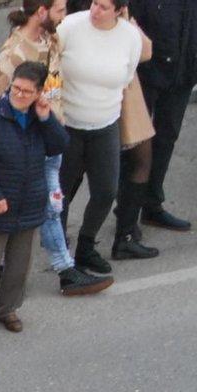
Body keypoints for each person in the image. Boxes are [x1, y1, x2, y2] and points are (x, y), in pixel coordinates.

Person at [0, 0, 115, 295]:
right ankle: (21, 269)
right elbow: (1, 104)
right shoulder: (14, 53)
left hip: (53, 137)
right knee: (32, 208)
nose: (65, 15)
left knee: (52, 206)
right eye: (60, 9)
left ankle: (62, 270)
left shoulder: (51, 37)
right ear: (41, 12)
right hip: (28, 145)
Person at [0, 62, 70, 335]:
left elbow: (59, 146)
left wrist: (46, 119)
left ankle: (8, 308)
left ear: (38, 93)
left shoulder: (38, 116)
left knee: (19, 263)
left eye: (26, 91)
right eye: (15, 88)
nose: (18, 95)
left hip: (29, 203)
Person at [57, 0, 145, 274]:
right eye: (95, 3)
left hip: (105, 124)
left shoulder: (130, 36)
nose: (96, 10)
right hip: (68, 124)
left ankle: (86, 245)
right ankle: (59, 250)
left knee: (106, 191)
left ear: (119, 10)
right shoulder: (71, 26)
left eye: (105, 7)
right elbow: (50, 63)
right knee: (60, 192)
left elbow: (127, 75)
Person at [127, 0, 196, 232]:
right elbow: (130, 23)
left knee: (166, 139)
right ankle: (126, 214)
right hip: (147, 72)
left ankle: (152, 205)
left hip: (184, 71)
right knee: (135, 143)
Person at [111, 7, 159, 260]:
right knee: (79, 171)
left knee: (142, 159)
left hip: (127, 94)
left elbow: (146, 49)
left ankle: (126, 235)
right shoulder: (79, 23)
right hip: (102, 97)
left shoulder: (120, 18)